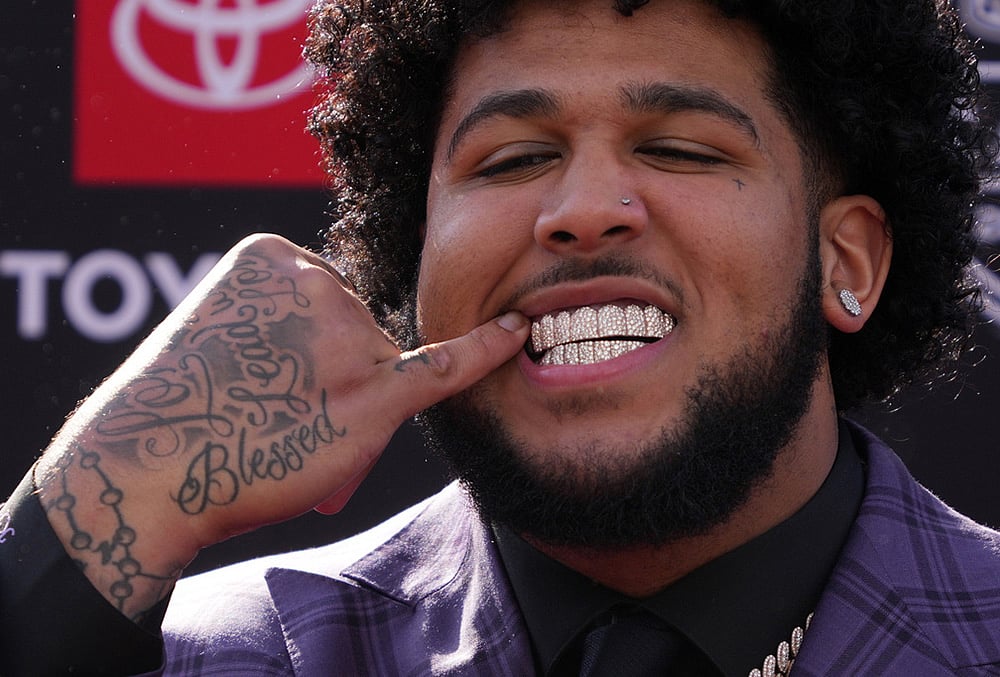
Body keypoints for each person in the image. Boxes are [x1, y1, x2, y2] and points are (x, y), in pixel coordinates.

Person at [2, 0, 998, 674]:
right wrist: (90, 511)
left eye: (680, 148)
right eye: (513, 157)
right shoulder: (232, 653)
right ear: (413, 254)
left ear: (849, 260)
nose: (581, 210)